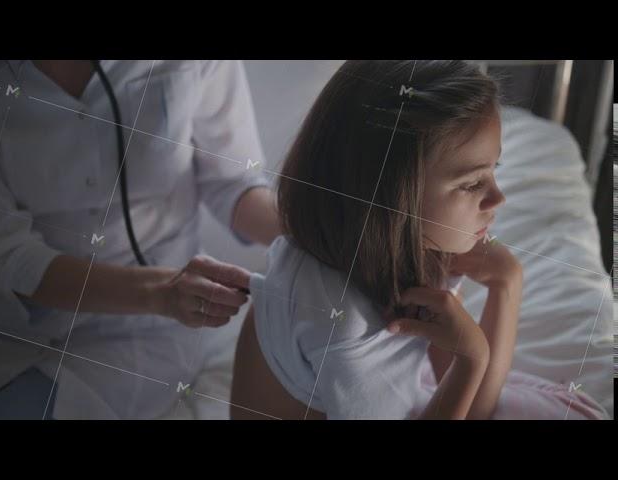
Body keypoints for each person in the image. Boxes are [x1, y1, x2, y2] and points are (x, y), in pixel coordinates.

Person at [230, 60, 609, 420]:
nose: (498, 198)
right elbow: (471, 400)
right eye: (472, 183)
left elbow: (477, 406)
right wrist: (471, 358)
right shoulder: (345, 323)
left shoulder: (398, 253)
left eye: (495, 170)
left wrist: (506, 283)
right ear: (394, 196)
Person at [0, 60, 281, 419]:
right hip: (13, 328)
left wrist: (316, 236)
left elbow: (233, 182)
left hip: (157, 330)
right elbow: (9, 257)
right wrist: (162, 292)